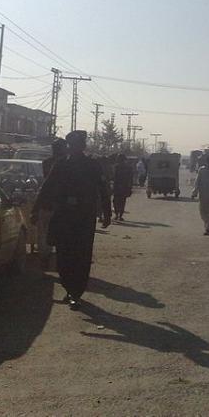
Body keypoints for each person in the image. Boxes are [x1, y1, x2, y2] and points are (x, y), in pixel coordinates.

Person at [31, 130, 111, 310]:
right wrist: (36, 210)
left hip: (84, 217)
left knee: (82, 256)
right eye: (72, 144)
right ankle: (69, 288)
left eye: (78, 144)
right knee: (64, 255)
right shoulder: (61, 164)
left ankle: (76, 293)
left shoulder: (92, 165)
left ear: (83, 146)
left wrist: (107, 213)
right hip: (63, 216)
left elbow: (103, 189)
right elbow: (47, 187)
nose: (75, 148)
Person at [37, 138, 67, 271]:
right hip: (58, 205)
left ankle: (46, 260)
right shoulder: (68, 164)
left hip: (51, 203)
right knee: (55, 234)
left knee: (45, 234)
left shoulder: (48, 163)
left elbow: (46, 184)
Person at [192, 153, 209, 236]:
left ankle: (208, 228)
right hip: (203, 194)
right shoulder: (202, 170)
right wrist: (194, 192)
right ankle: (207, 223)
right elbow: (197, 182)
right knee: (202, 212)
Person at [112, 154, 134, 221]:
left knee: (116, 201)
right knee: (122, 201)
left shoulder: (116, 167)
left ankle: (117, 215)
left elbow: (114, 177)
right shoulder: (128, 167)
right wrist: (130, 187)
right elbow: (130, 178)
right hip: (124, 187)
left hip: (117, 187)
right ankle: (120, 215)